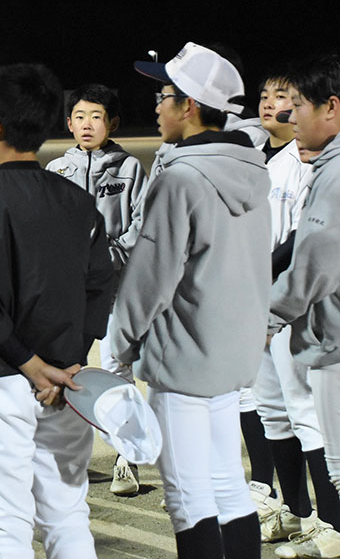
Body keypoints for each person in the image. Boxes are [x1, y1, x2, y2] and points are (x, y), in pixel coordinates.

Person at [0, 63, 114, 558]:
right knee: (67, 513)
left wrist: (28, 363)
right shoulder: (78, 202)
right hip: (66, 380)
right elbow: (100, 287)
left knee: (6, 519)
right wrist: (68, 361)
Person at [111, 42, 272, 558]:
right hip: (232, 358)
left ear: (190, 106)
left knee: (188, 497)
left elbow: (149, 280)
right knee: (228, 485)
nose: (157, 107)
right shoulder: (254, 170)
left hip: (182, 361)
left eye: (164, 96)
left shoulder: (179, 178)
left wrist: (118, 344)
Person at [250, 69, 340, 550]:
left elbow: (308, 254)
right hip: (281, 305)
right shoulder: (271, 158)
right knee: (275, 412)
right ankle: (298, 513)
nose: (285, 113)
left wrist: (265, 312)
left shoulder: (325, 167)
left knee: (312, 422)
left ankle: (329, 527)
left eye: (295, 103)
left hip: (306, 315)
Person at [46, 83, 147, 496]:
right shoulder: (56, 170)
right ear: (69, 123)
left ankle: (126, 457)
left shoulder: (129, 168)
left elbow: (142, 224)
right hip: (69, 292)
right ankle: (65, 460)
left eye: (96, 117)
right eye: (79, 117)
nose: (87, 124)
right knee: (66, 369)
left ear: (113, 123)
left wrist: (109, 257)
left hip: (114, 289)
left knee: (116, 369)